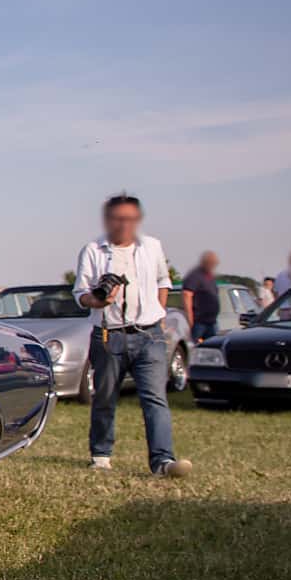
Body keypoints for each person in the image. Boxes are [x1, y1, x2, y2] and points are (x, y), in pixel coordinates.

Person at [73, 193, 190, 477]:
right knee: (104, 397)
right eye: (117, 218)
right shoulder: (93, 250)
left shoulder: (151, 247)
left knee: (155, 399)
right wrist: (96, 300)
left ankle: (163, 462)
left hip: (149, 335)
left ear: (137, 220)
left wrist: (159, 313)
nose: (123, 224)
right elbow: (79, 293)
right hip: (108, 334)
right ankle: (101, 454)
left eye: (129, 219)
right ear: (108, 220)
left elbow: (164, 280)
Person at [180, 250, 220, 342]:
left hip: (211, 321)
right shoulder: (195, 276)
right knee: (194, 346)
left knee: (213, 347)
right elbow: (187, 295)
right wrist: (189, 318)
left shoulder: (209, 276)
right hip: (198, 322)